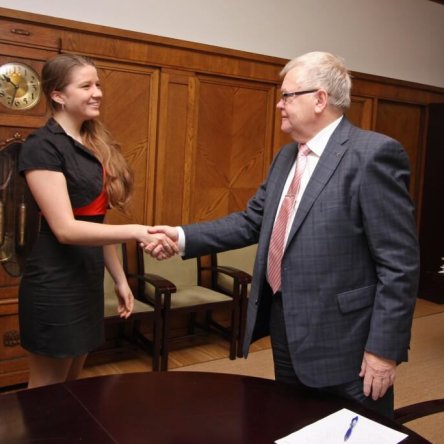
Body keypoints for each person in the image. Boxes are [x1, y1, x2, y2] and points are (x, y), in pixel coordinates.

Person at [146, 51, 419, 418]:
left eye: (288, 95)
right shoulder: (286, 158)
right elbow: (251, 222)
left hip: (347, 341)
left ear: (319, 99)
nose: (279, 104)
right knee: (294, 423)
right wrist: (180, 236)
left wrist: (383, 350)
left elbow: (399, 265)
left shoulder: (371, 155)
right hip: (287, 327)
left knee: (353, 432)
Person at [18, 53, 177, 388]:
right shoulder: (41, 146)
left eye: (98, 85)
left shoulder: (93, 143)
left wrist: (119, 279)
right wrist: (137, 231)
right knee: (48, 392)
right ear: (58, 95)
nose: (97, 93)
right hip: (54, 282)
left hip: (86, 280)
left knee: (74, 384)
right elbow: (65, 229)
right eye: (86, 86)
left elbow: (96, 223)